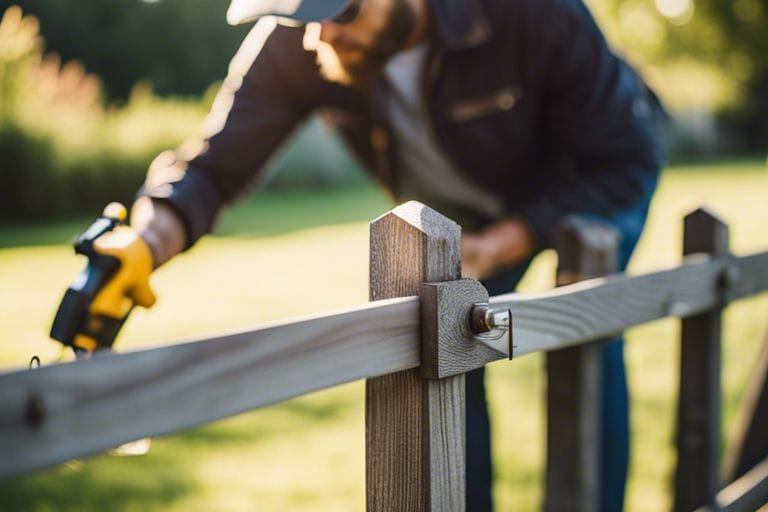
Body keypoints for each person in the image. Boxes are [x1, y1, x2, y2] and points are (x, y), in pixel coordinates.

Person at [97, 0, 665, 509]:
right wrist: (144, 244)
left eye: (340, 12)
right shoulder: (299, 37)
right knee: (443, 353)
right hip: (456, 227)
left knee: (586, 334)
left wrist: (500, 245)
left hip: (584, 194)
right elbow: (213, 170)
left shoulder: (536, 14)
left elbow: (626, 163)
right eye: (304, 17)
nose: (318, 37)